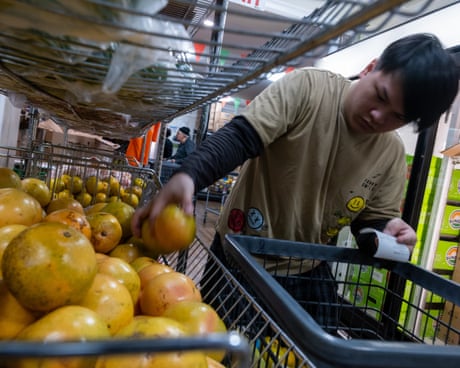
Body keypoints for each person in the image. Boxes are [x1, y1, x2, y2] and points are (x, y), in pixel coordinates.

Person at [132, 33, 459, 329]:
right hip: (240, 252)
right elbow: (242, 136)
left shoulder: (389, 153)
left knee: (317, 349)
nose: (379, 116)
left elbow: (370, 219)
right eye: (381, 96)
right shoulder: (309, 89)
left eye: (397, 117)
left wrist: (387, 230)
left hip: (308, 263)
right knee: (222, 347)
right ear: (371, 68)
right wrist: (189, 175)